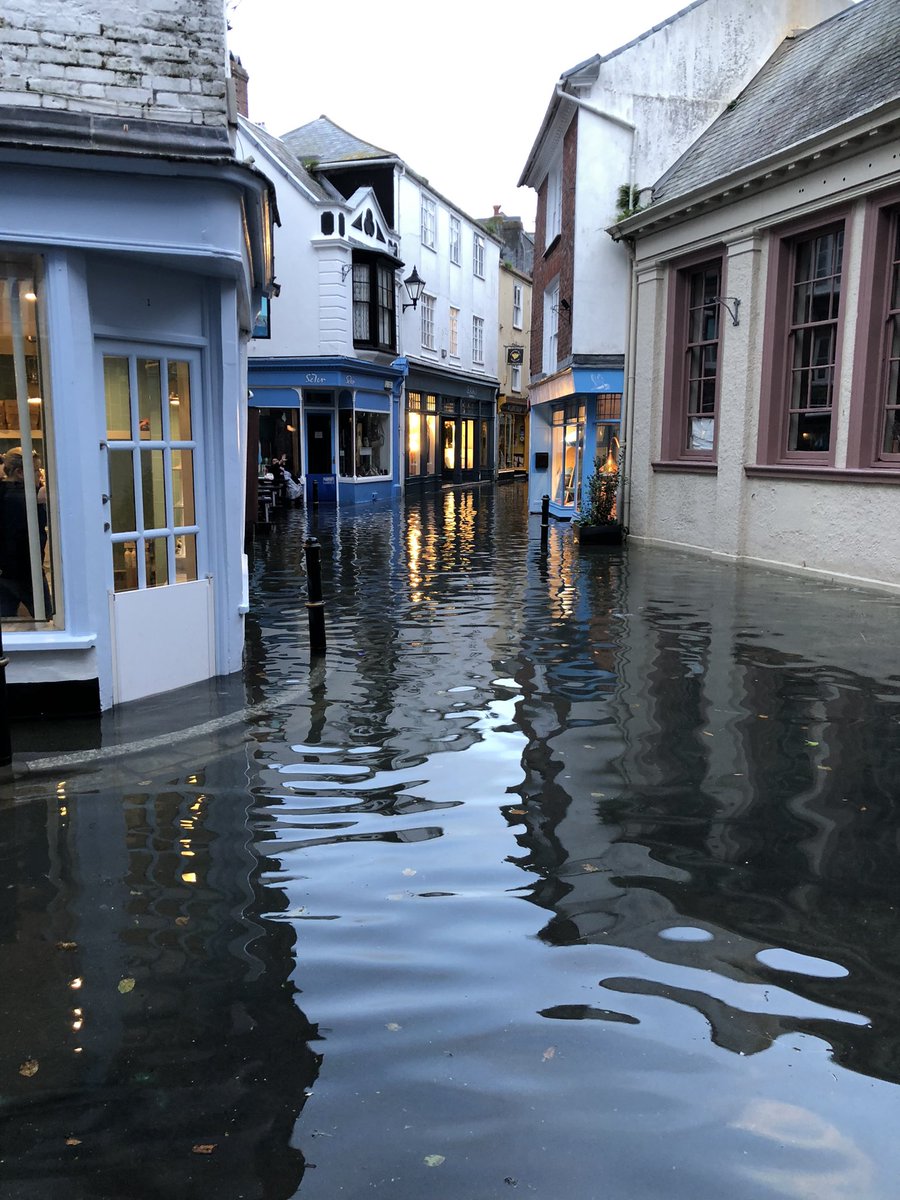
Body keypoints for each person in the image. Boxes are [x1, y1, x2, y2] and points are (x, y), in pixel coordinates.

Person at [0, 446, 50, 619]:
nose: (40, 475)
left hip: (4, 572)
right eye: (36, 471)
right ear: (21, 473)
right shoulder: (28, 497)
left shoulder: (5, 491)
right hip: (29, 571)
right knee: (49, 621)